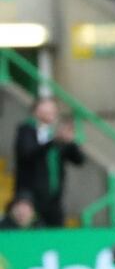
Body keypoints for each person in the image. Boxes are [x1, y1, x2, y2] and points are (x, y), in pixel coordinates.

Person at [13, 97, 84, 227]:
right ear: (36, 111)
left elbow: (79, 161)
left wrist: (71, 142)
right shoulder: (26, 130)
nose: (51, 114)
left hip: (54, 195)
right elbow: (27, 153)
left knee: (56, 231)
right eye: (47, 110)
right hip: (30, 196)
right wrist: (53, 141)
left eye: (53, 110)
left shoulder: (56, 134)